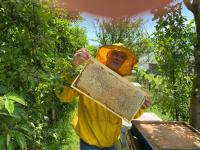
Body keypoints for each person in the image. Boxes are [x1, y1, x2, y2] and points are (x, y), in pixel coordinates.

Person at [56, 44, 151, 150]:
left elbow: (131, 112)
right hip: (89, 141)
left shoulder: (124, 85)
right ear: (108, 55)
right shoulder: (90, 72)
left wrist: (142, 105)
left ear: (124, 61)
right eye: (115, 54)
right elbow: (64, 95)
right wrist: (72, 67)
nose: (118, 58)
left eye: (122, 57)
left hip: (111, 142)